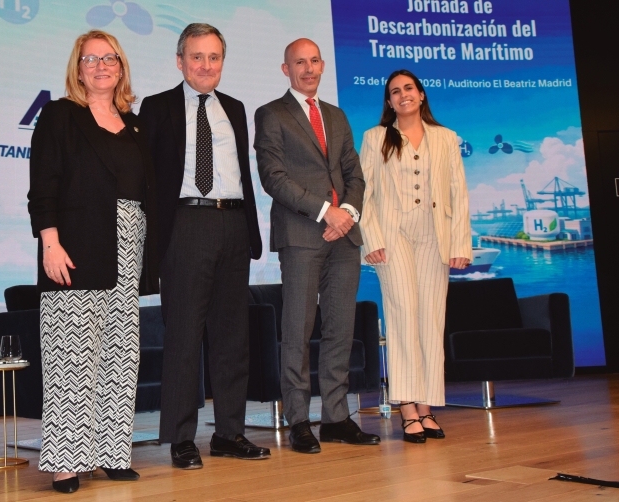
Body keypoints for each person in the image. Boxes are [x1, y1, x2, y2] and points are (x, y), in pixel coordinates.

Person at [27, 30, 159, 493]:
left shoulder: (136, 125)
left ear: (121, 67)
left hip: (130, 242)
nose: (101, 66)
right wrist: (50, 242)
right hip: (77, 244)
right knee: (72, 355)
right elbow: (42, 184)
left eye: (110, 58)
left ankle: (110, 453)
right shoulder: (60, 115)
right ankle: (66, 461)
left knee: (120, 354)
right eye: (91, 59)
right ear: (77, 67)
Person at [138, 23, 269, 469]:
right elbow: (145, 178)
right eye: (197, 57)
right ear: (180, 61)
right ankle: (179, 438)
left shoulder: (234, 106)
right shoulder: (156, 108)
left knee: (233, 337)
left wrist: (250, 230)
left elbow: (243, 175)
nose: (206, 65)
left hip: (232, 222)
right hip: (186, 225)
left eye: (214, 57)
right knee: (184, 336)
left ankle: (230, 433)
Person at [254, 38, 379, 454]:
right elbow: (273, 177)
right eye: (298, 63)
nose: (307, 69)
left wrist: (348, 214)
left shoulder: (337, 116)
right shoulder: (271, 114)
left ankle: (337, 418)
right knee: (297, 330)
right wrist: (327, 212)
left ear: (323, 65)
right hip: (302, 235)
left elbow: (355, 176)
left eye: (313, 61)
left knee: (340, 330)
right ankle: (300, 420)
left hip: (345, 237)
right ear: (285, 69)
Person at [359, 69, 471, 443]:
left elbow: (459, 194)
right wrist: (370, 237)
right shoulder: (375, 138)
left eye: (409, 88)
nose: (403, 95)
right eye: (394, 91)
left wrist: (459, 245)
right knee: (403, 315)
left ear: (421, 95)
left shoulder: (446, 138)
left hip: (434, 237)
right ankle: (407, 407)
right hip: (393, 237)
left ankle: (426, 406)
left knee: (430, 319)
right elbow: (365, 193)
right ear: (388, 102)